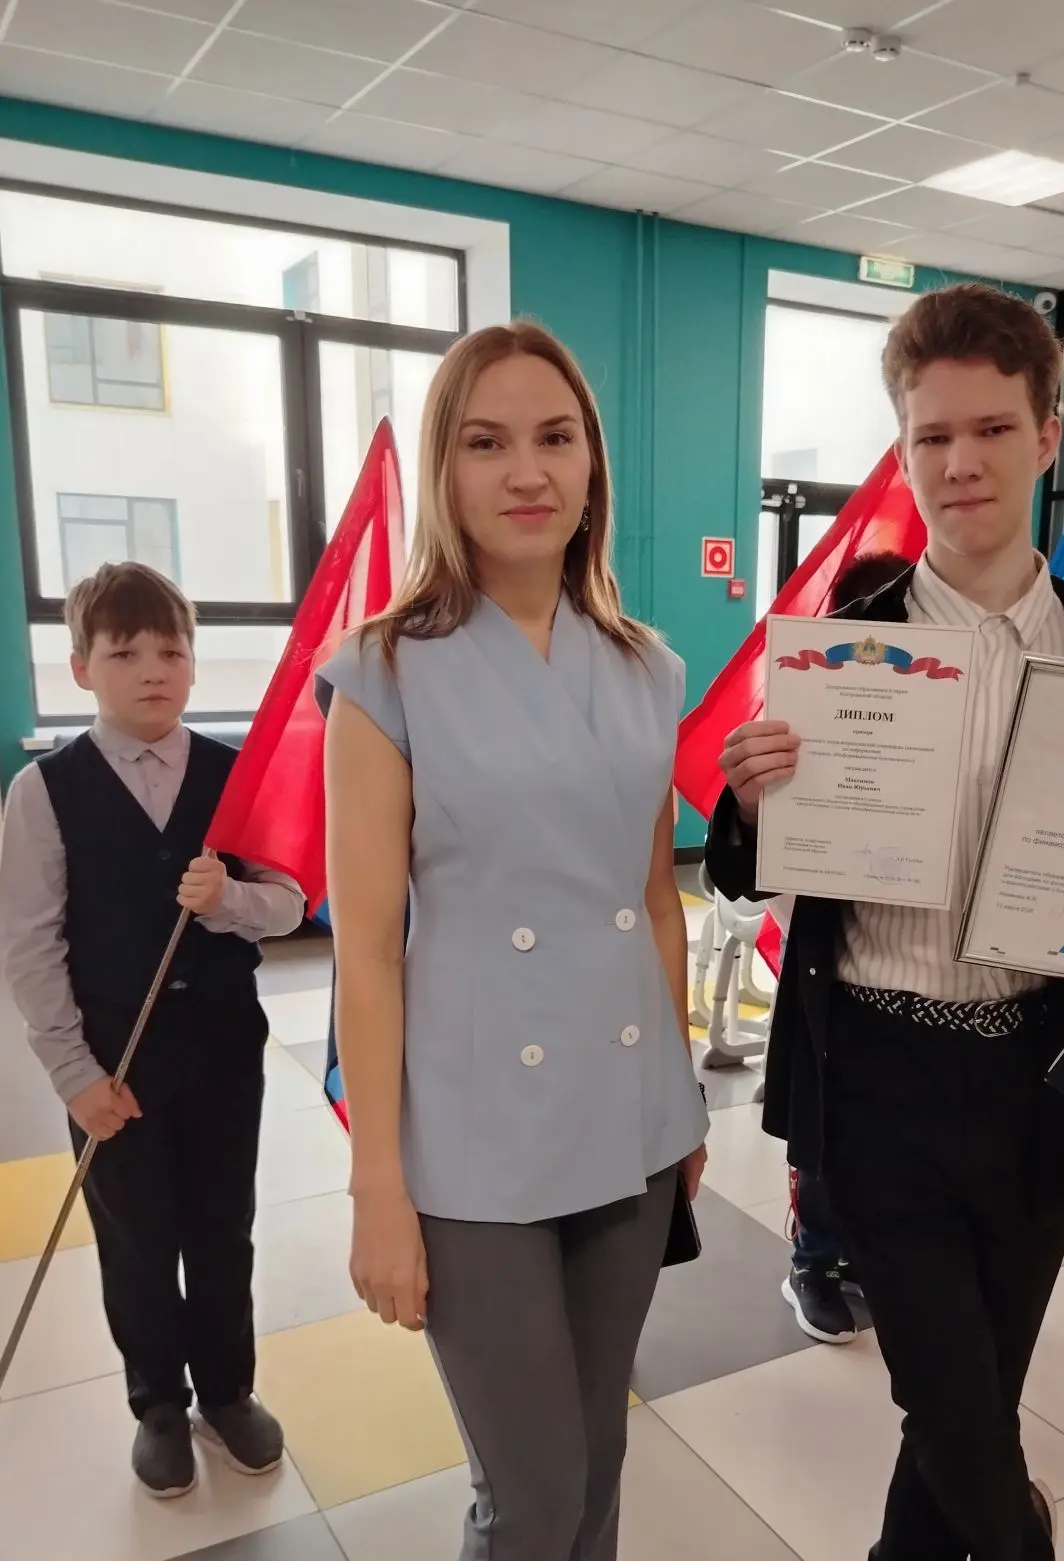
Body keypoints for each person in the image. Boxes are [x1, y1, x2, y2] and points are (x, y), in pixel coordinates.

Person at [705, 284, 1064, 1561]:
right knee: (950, 1408)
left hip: (1037, 1082)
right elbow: (738, 873)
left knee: (972, 1402)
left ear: (1047, 436)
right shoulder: (835, 654)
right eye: (932, 435)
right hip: (875, 1078)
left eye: (991, 429)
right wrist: (750, 801)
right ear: (903, 449)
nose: (960, 463)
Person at [317, 320, 709, 1561]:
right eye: (486, 443)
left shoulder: (648, 668)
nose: (526, 471)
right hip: (472, 1139)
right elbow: (367, 950)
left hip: (631, 1117)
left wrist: (682, 1095)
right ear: (445, 468)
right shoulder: (382, 672)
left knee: (597, 1466)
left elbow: (655, 901)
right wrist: (378, 1185)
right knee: (530, 1496)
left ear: (593, 463)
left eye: (555, 438)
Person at [0, 562, 304, 1497]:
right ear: (81, 667)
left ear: (194, 663)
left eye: (171, 651)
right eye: (124, 653)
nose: (152, 670)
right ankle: (159, 1403)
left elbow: (290, 903)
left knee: (222, 1225)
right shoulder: (45, 790)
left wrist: (230, 901)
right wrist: (72, 1074)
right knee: (135, 1234)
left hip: (222, 1050)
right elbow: (30, 945)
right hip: (113, 1060)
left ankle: (227, 1388)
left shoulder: (237, 776)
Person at [782, 550, 909, 1347]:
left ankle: (862, 1253)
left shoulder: (943, 725)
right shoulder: (808, 716)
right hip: (830, 968)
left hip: (916, 983)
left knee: (886, 1133)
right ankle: (813, 1260)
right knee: (823, 1129)